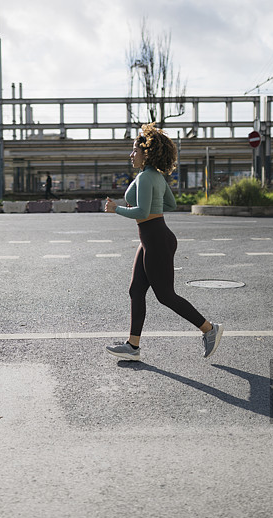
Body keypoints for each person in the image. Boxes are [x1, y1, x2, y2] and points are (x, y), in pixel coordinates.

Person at [104, 123, 223, 360]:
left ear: (146, 153)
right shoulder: (154, 176)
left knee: (165, 295)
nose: (131, 155)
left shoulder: (147, 177)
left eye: (135, 151)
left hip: (156, 239)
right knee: (136, 290)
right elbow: (170, 205)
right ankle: (133, 346)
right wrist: (148, 207)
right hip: (152, 237)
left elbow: (142, 211)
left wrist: (116, 209)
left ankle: (209, 329)